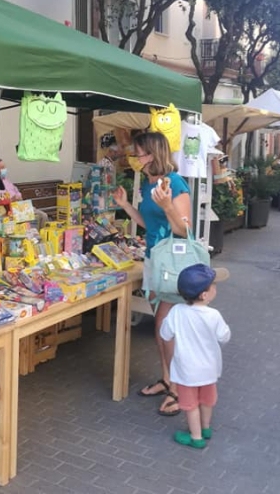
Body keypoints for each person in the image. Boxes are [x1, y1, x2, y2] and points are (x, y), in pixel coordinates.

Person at [113, 132, 191, 416]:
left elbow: (185, 229)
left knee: (165, 327)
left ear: (153, 153)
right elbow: (149, 223)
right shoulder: (149, 184)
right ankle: (167, 379)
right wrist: (125, 206)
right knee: (162, 329)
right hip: (154, 259)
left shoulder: (175, 184)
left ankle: (180, 390)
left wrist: (168, 205)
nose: (135, 158)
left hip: (173, 262)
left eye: (139, 153)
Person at [160, 263, 231, 449]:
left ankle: (195, 436)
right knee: (207, 401)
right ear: (204, 295)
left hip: (186, 371)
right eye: (213, 285)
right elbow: (224, 337)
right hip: (209, 369)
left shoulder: (176, 312)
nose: (216, 288)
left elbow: (165, 334)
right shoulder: (214, 315)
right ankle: (205, 430)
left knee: (190, 405)